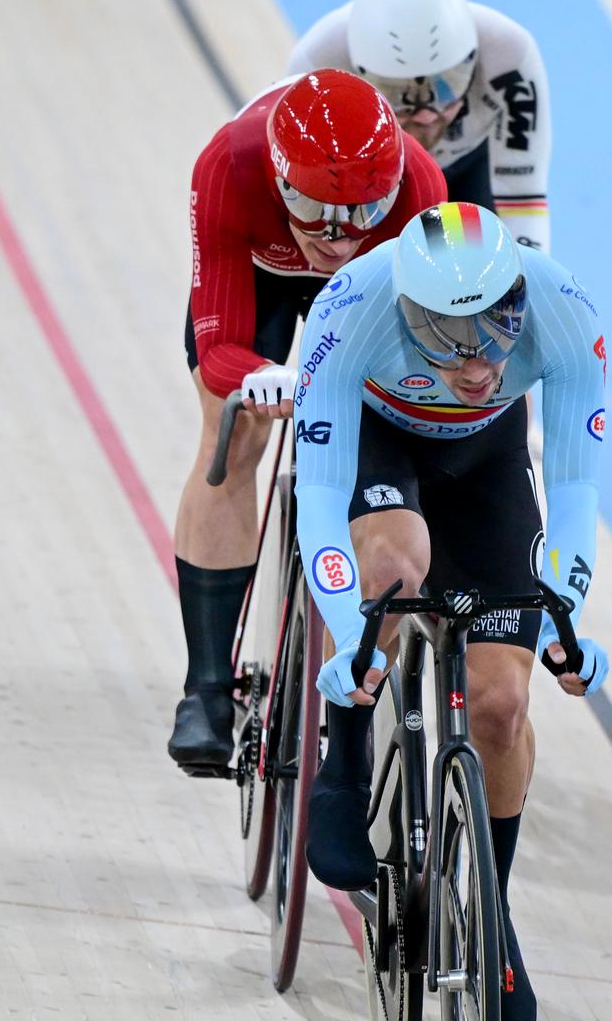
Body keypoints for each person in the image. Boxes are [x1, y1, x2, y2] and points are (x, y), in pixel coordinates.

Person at [290, 202, 610, 1021]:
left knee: (504, 706)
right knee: (398, 565)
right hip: (379, 448)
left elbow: (575, 494)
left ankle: (490, 913)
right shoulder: (351, 306)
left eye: (497, 333)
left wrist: (565, 613)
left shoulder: (564, 306)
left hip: (485, 463)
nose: (477, 363)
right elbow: (317, 500)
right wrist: (340, 634)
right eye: (446, 336)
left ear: (518, 299)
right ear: (404, 311)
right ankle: (347, 751)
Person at [169, 69, 447, 774]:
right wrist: (262, 381)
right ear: (280, 180)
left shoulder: (419, 188)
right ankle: (206, 688)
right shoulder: (229, 165)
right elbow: (218, 344)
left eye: (359, 212)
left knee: (379, 438)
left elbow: (418, 349)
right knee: (233, 435)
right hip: (259, 279)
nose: (336, 236)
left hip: (367, 297)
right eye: (319, 212)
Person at [287, 0, 552, 253]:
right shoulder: (317, 67)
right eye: (398, 94)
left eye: (447, 86)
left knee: (484, 262)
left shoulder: (509, 54)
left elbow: (521, 193)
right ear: (358, 72)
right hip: (371, 176)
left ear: (473, 59)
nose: (426, 115)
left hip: (468, 165)